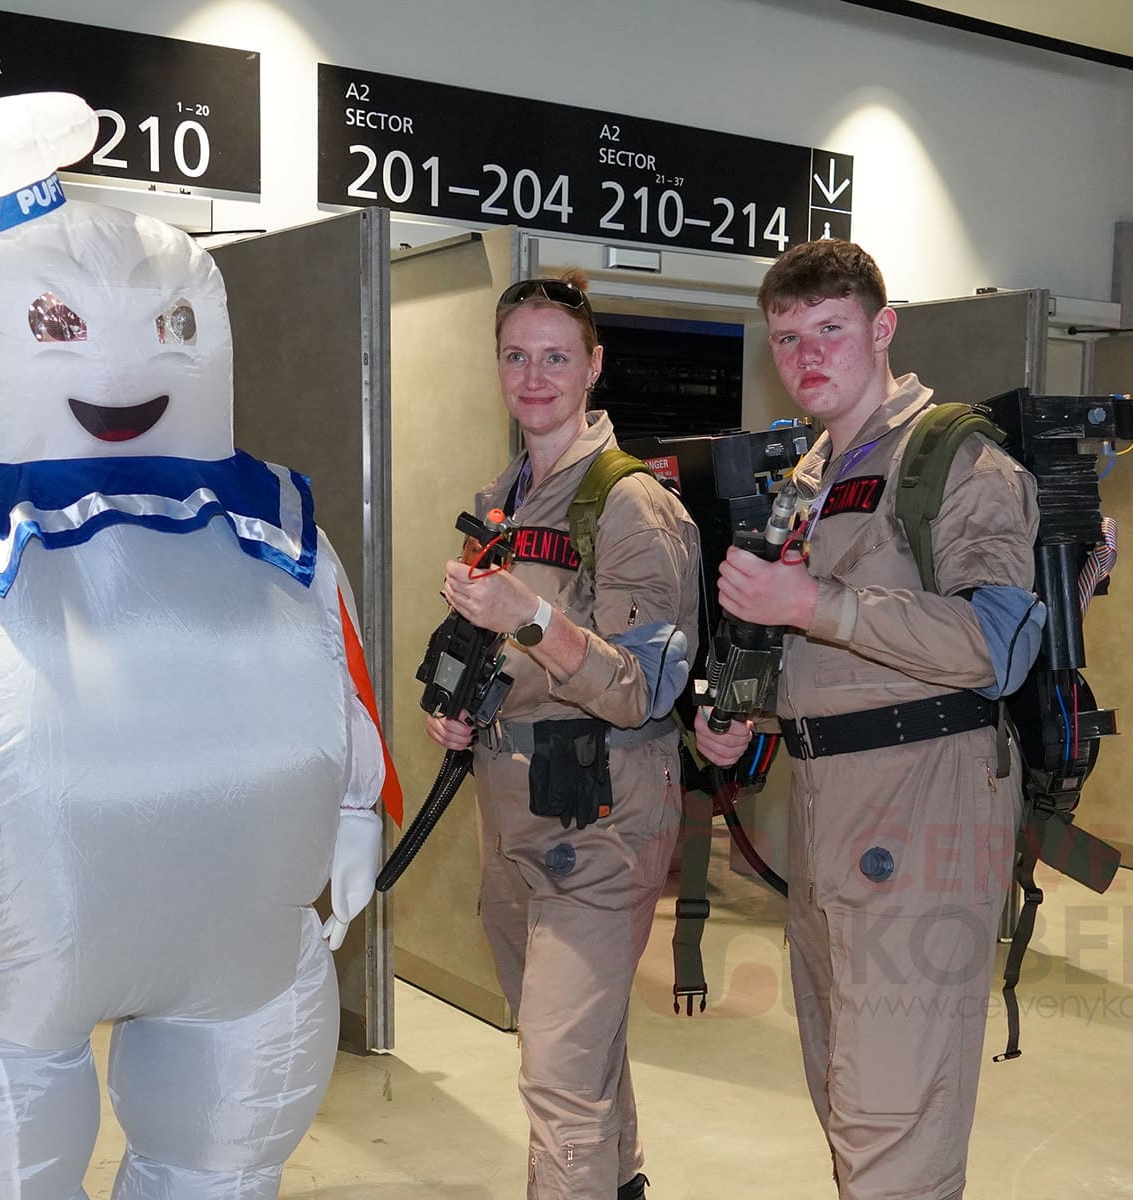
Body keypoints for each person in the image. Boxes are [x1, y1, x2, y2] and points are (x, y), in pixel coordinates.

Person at [694, 239, 1039, 1199]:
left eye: (830, 330)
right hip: (826, 819)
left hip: (924, 813)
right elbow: (828, 663)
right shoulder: (809, 472)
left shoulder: (955, 459)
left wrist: (814, 604)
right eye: (788, 338)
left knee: (894, 1118)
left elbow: (997, 645)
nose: (808, 357)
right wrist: (747, 720)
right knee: (846, 1095)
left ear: (883, 329)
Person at [428, 271, 701, 1199]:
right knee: (578, 1052)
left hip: (602, 821)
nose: (534, 377)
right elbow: (496, 651)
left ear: (593, 367)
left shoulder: (632, 506)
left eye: (555, 357)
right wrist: (461, 702)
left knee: (556, 1076)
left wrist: (531, 618)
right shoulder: (502, 498)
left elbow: (644, 688)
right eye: (516, 356)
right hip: (511, 816)